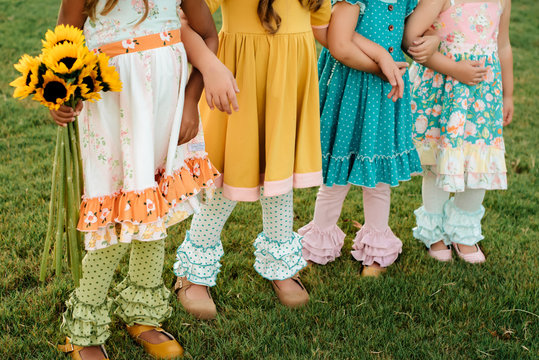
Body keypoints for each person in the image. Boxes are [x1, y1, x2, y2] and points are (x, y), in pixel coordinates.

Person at [50, 0, 238, 358]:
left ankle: (142, 313)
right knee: (118, 215)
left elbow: (208, 35)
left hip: (165, 107)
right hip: (111, 109)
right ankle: (84, 327)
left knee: (155, 207)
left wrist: (190, 101)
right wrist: (60, 94)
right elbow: (64, 42)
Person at [172, 0, 333, 319]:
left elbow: (323, 28)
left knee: (279, 175)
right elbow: (184, 17)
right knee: (227, 179)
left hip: (289, 82)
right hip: (238, 80)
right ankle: (192, 272)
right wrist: (210, 66)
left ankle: (280, 265)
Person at [299, 0, 439, 277]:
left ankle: (376, 249)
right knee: (337, 172)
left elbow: (410, 35)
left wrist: (432, 38)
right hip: (349, 84)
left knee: (377, 173)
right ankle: (318, 242)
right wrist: (380, 59)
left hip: (384, 94)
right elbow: (339, 37)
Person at [407, 0, 513, 263]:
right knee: (439, 165)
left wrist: (508, 95)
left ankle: (465, 234)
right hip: (443, 90)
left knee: (478, 163)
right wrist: (456, 70)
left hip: (482, 94)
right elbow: (410, 38)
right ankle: (435, 234)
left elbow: (504, 45)